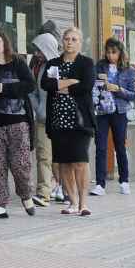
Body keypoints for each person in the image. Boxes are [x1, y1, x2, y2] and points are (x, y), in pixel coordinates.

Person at [0, 29, 36, 219]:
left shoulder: (18, 62)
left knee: (21, 165)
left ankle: (26, 194)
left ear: (4, 43)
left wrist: (5, 88)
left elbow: (30, 85)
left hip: (18, 122)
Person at [40, 27, 96, 216]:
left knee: (80, 161)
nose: (69, 42)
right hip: (57, 120)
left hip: (80, 120)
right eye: (66, 39)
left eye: (74, 39)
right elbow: (45, 85)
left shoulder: (86, 63)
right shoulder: (52, 63)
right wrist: (72, 81)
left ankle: (83, 203)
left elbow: (86, 86)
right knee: (63, 162)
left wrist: (63, 86)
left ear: (80, 43)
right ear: (61, 42)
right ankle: (71, 201)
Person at [88, 39, 135, 197]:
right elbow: (92, 86)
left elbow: (133, 95)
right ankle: (100, 184)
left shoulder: (128, 70)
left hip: (119, 111)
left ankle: (124, 181)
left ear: (120, 52)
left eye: (113, 52)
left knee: (120, 147)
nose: (110, 55)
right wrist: (100, 84)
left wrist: (117, 88)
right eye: (108, 52)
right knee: (100, 147)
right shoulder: (99, 66)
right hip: (102, 110)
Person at [27, 32, 60, 207]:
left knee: (60, 157)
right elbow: (32, 90)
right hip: (42, 119)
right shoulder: (36, 67)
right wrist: (38, 108)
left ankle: (61, 188)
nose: (37, 53)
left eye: (39, 49)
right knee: (43, 156)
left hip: (60, 119)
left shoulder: (59, 66)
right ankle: (44, 192)